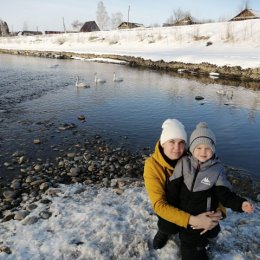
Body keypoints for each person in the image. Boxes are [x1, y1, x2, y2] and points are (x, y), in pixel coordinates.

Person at [166, 122, 254, 260]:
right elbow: (173, 186)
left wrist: (241, 204)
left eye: (207, 148)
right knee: (190, 243)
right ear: (192, 148)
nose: (203, 152)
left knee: (209, 231)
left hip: (206, 213)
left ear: (213, 149)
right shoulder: (184, 163)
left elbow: (225, 194)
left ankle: (208, 238)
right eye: (199, 147)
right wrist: (170, 208)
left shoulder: (217, 169)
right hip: (186, 213)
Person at [143, 119, 224, 251]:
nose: (177, 148)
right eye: (172, 142)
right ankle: (164, 231)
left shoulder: (193, 157)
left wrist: (220, 210)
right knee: (168, 225)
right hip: (169, 205)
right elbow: (159, 204)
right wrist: (193, 220)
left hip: (193, 202)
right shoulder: (152, 165)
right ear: (163, 143)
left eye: (181, 143)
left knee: (213, 229)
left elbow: (215, 183)